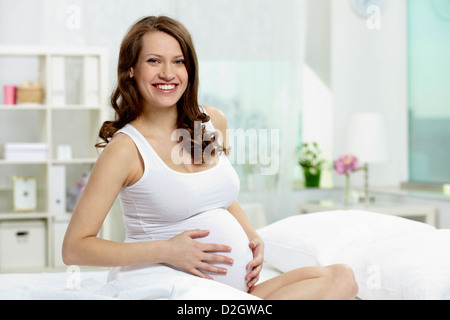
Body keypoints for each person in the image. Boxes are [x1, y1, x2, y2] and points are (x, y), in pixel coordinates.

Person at [62, 15, 358, 300]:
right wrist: (167, 250)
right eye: (154, 61)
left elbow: (218, 197)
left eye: (178, 61)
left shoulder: (210, 122)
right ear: (131, 70)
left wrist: (252, 236)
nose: (168, 73)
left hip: (230, 291)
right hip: (164, 284)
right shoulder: (126, 148)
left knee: (342, 278)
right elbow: (75, 248)